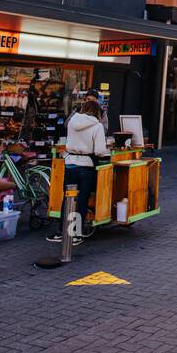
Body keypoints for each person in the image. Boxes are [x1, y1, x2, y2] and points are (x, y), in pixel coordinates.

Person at [50, 99, 108, 245]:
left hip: (69, 164)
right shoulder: (97, 126)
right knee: (82, 200)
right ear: (97, 112)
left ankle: (61, 232)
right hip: (86, 166)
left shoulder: (72, 121)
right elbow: (100, 151)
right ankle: (75, 234)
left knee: (68, 198)